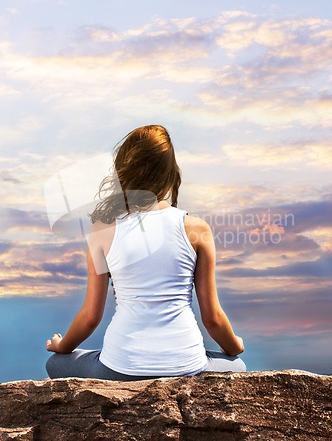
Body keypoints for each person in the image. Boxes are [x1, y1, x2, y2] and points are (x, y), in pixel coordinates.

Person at [46, 125, 246, 380]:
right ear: (171, 173)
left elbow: (90, 317)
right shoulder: (197, 229)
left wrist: (62, 347)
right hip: (186, 366)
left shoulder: (102, 230)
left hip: (121, 367)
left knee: (55, 364)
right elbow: (213, 319)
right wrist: (234, 347)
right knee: (238, 367)